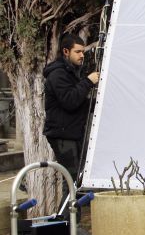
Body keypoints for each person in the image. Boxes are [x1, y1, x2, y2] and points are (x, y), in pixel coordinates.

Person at [43, 33, 99, 200]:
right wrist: (88, 82)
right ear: (66, 51)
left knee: (76, 181)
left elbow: (80, 101)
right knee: (73, 181)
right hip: (62, 135)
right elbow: (70, 101)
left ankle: (72, 223)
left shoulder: (71, 72)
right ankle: (70, 223)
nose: (82, 55)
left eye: (83, 51)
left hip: (73, 133)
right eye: (78, 51)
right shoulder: (58, 74)